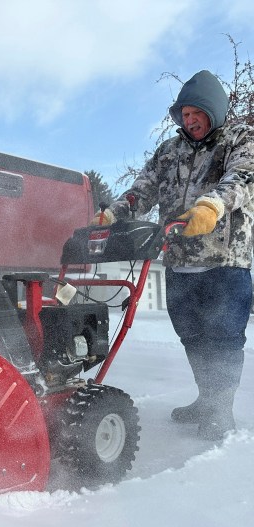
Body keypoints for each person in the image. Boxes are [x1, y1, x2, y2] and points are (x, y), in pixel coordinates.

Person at [94, 70, 254, 440]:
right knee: (193, 336)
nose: (189, 120)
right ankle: (207, 398)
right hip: (179, 261)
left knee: (224, 338)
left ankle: (220, 409)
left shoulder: (240, 140)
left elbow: (242, 179)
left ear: (213, 110)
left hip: (224, 261)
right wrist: (115, 212)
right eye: (183, 114)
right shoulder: (170, 150)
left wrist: (212, 205)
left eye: (196, 113)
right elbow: (143, 188)